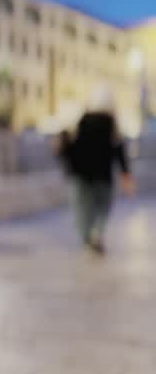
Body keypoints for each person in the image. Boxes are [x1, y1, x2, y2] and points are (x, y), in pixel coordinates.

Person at [61, 89, 136, 255]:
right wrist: (126, 175)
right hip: (103, 176)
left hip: (80, 175)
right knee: (103, 207)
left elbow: (69, 149)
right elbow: (120, 152)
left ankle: (87, 238)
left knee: (82, 209)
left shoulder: (80, 123)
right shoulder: (112, 126)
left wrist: (69, 168)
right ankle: (97, 233)